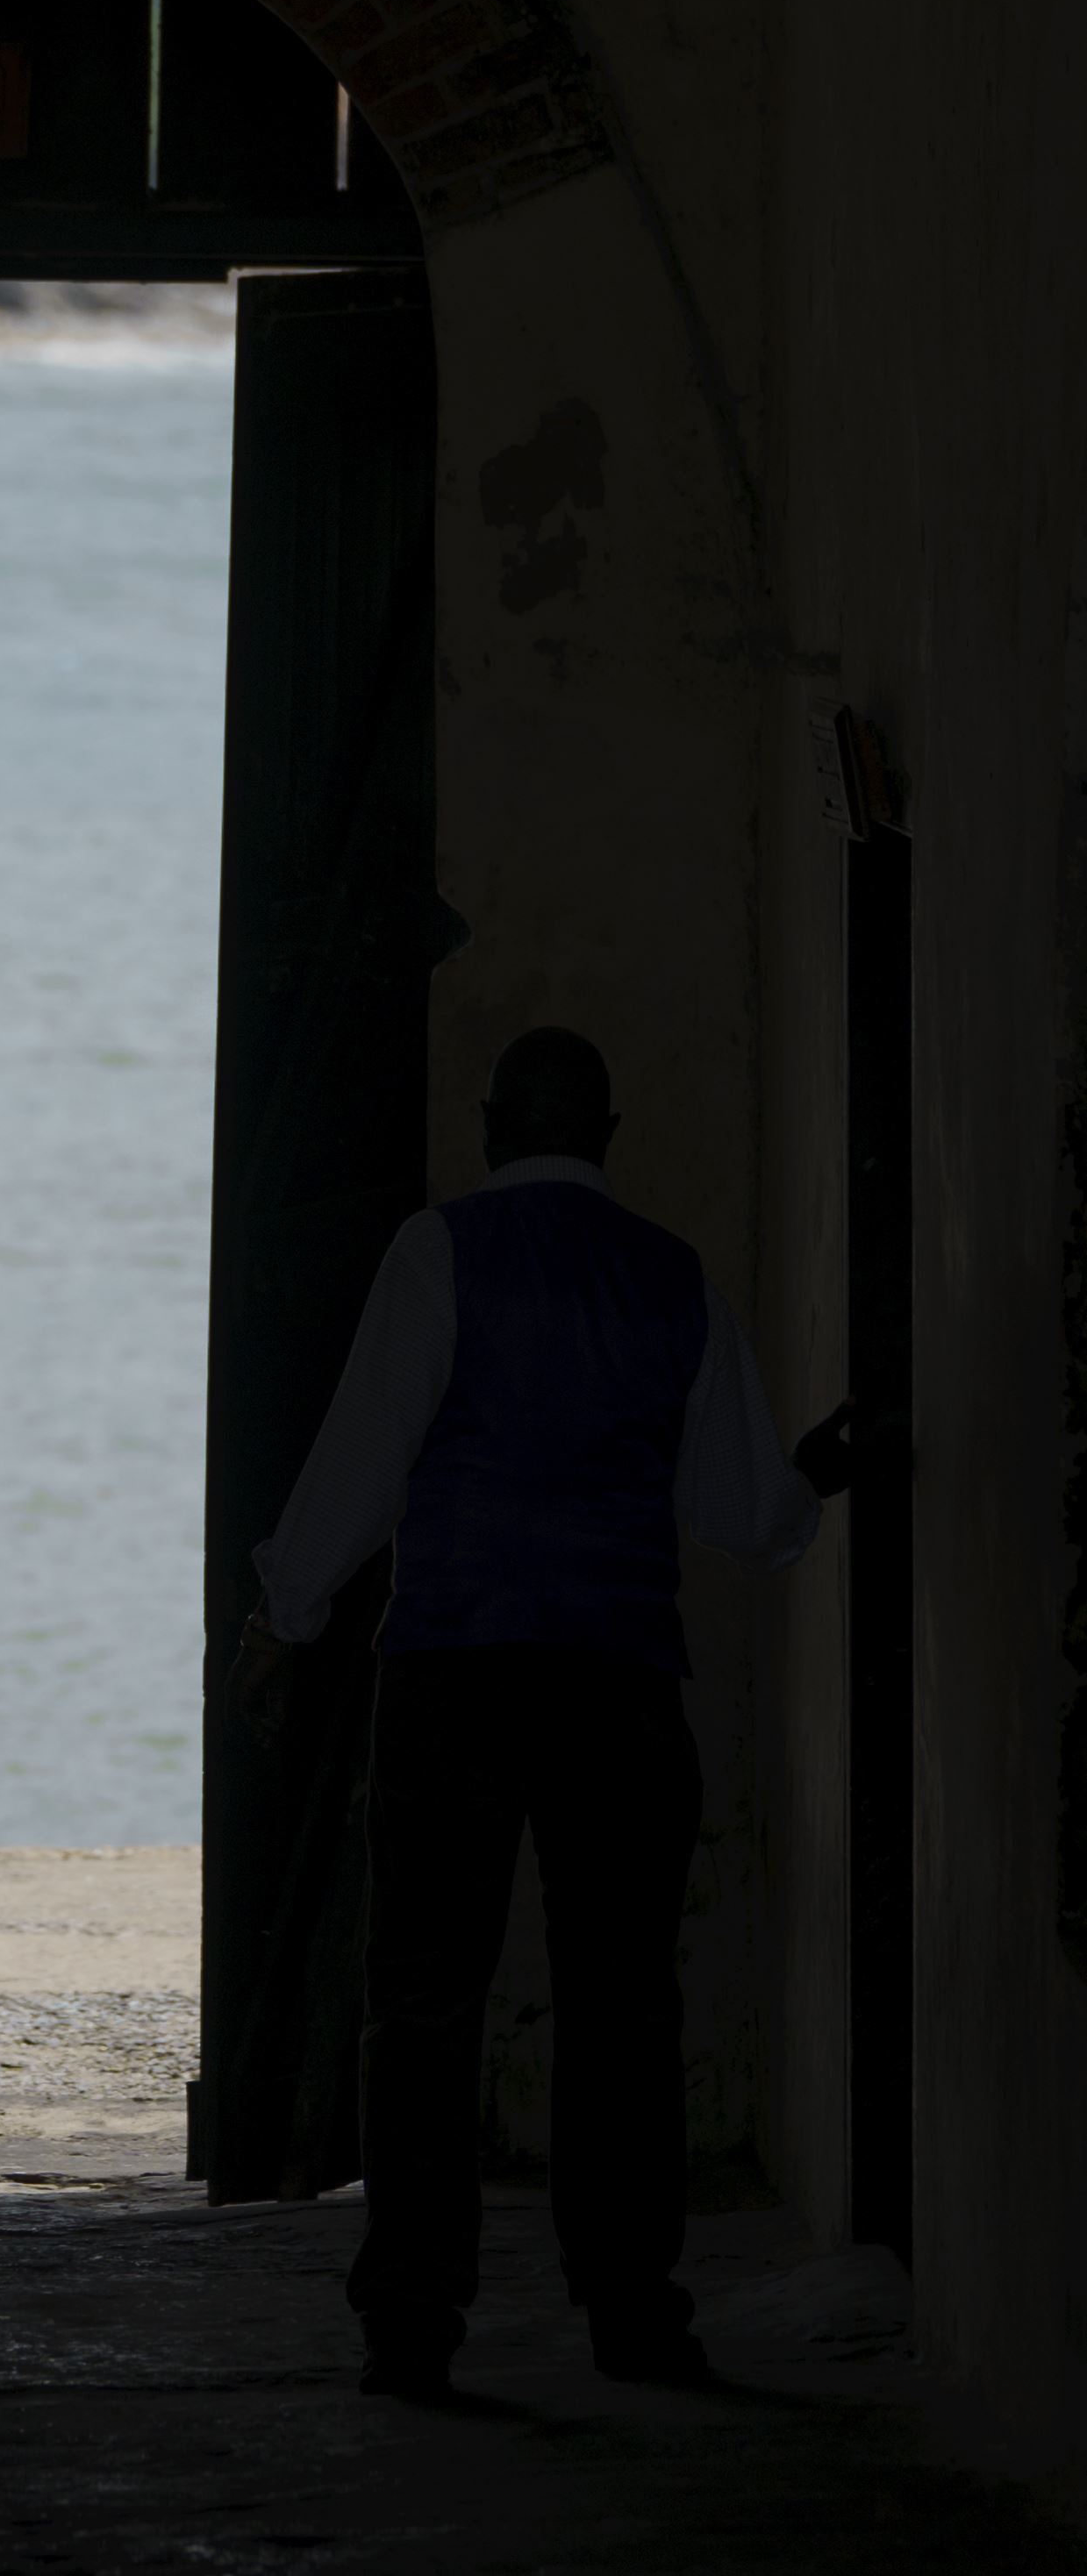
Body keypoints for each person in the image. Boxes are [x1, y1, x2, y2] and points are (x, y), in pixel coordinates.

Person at [242, 1026, 854, 2398]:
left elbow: (363, 1457)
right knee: (622, 2004)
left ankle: (412, 2317)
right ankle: (636, 2311)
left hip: (455, 1667)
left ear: (486, 1121)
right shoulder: (671, 1279)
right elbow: (744, 1514)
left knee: (419, 2002)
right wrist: (811, 1479)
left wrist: (283, 1612)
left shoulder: (436, 1252)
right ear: (609, 1130)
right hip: (618, 1678)